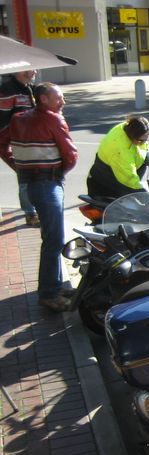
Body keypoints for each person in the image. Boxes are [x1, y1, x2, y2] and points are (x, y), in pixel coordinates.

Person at [9, 83, 78, 312]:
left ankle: (54, 287)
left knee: (51, 237)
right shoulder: (53, 119)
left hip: (33, 183)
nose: (63, 102)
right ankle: (49, 293)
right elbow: (71, 155)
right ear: (43, 99)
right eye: (59, 98)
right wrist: (57, 173)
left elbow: (3, 144)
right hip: (48, 184)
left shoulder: (18, 119)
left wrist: (21, 167)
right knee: (54, 240)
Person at [86, 116, 149, 199]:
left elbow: (141, 144)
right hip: (104, 184)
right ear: (132, 137)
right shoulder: (120, 150)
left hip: (121, 176)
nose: (145, 142)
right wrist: (142, 193)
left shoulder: (130, 127)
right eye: (141, 141)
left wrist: (147, 154)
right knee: (132, 203)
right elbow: (129, 179)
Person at [0, 70, 39, 226]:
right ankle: (30, 214)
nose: (34, 71)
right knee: (25, 179)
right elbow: (3, 121)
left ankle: (35, 210)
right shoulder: (8, 90)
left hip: (32, 141)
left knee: (32, 178)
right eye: (30, 68)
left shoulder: (31, 88)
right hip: (19, 143)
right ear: (19, 71)